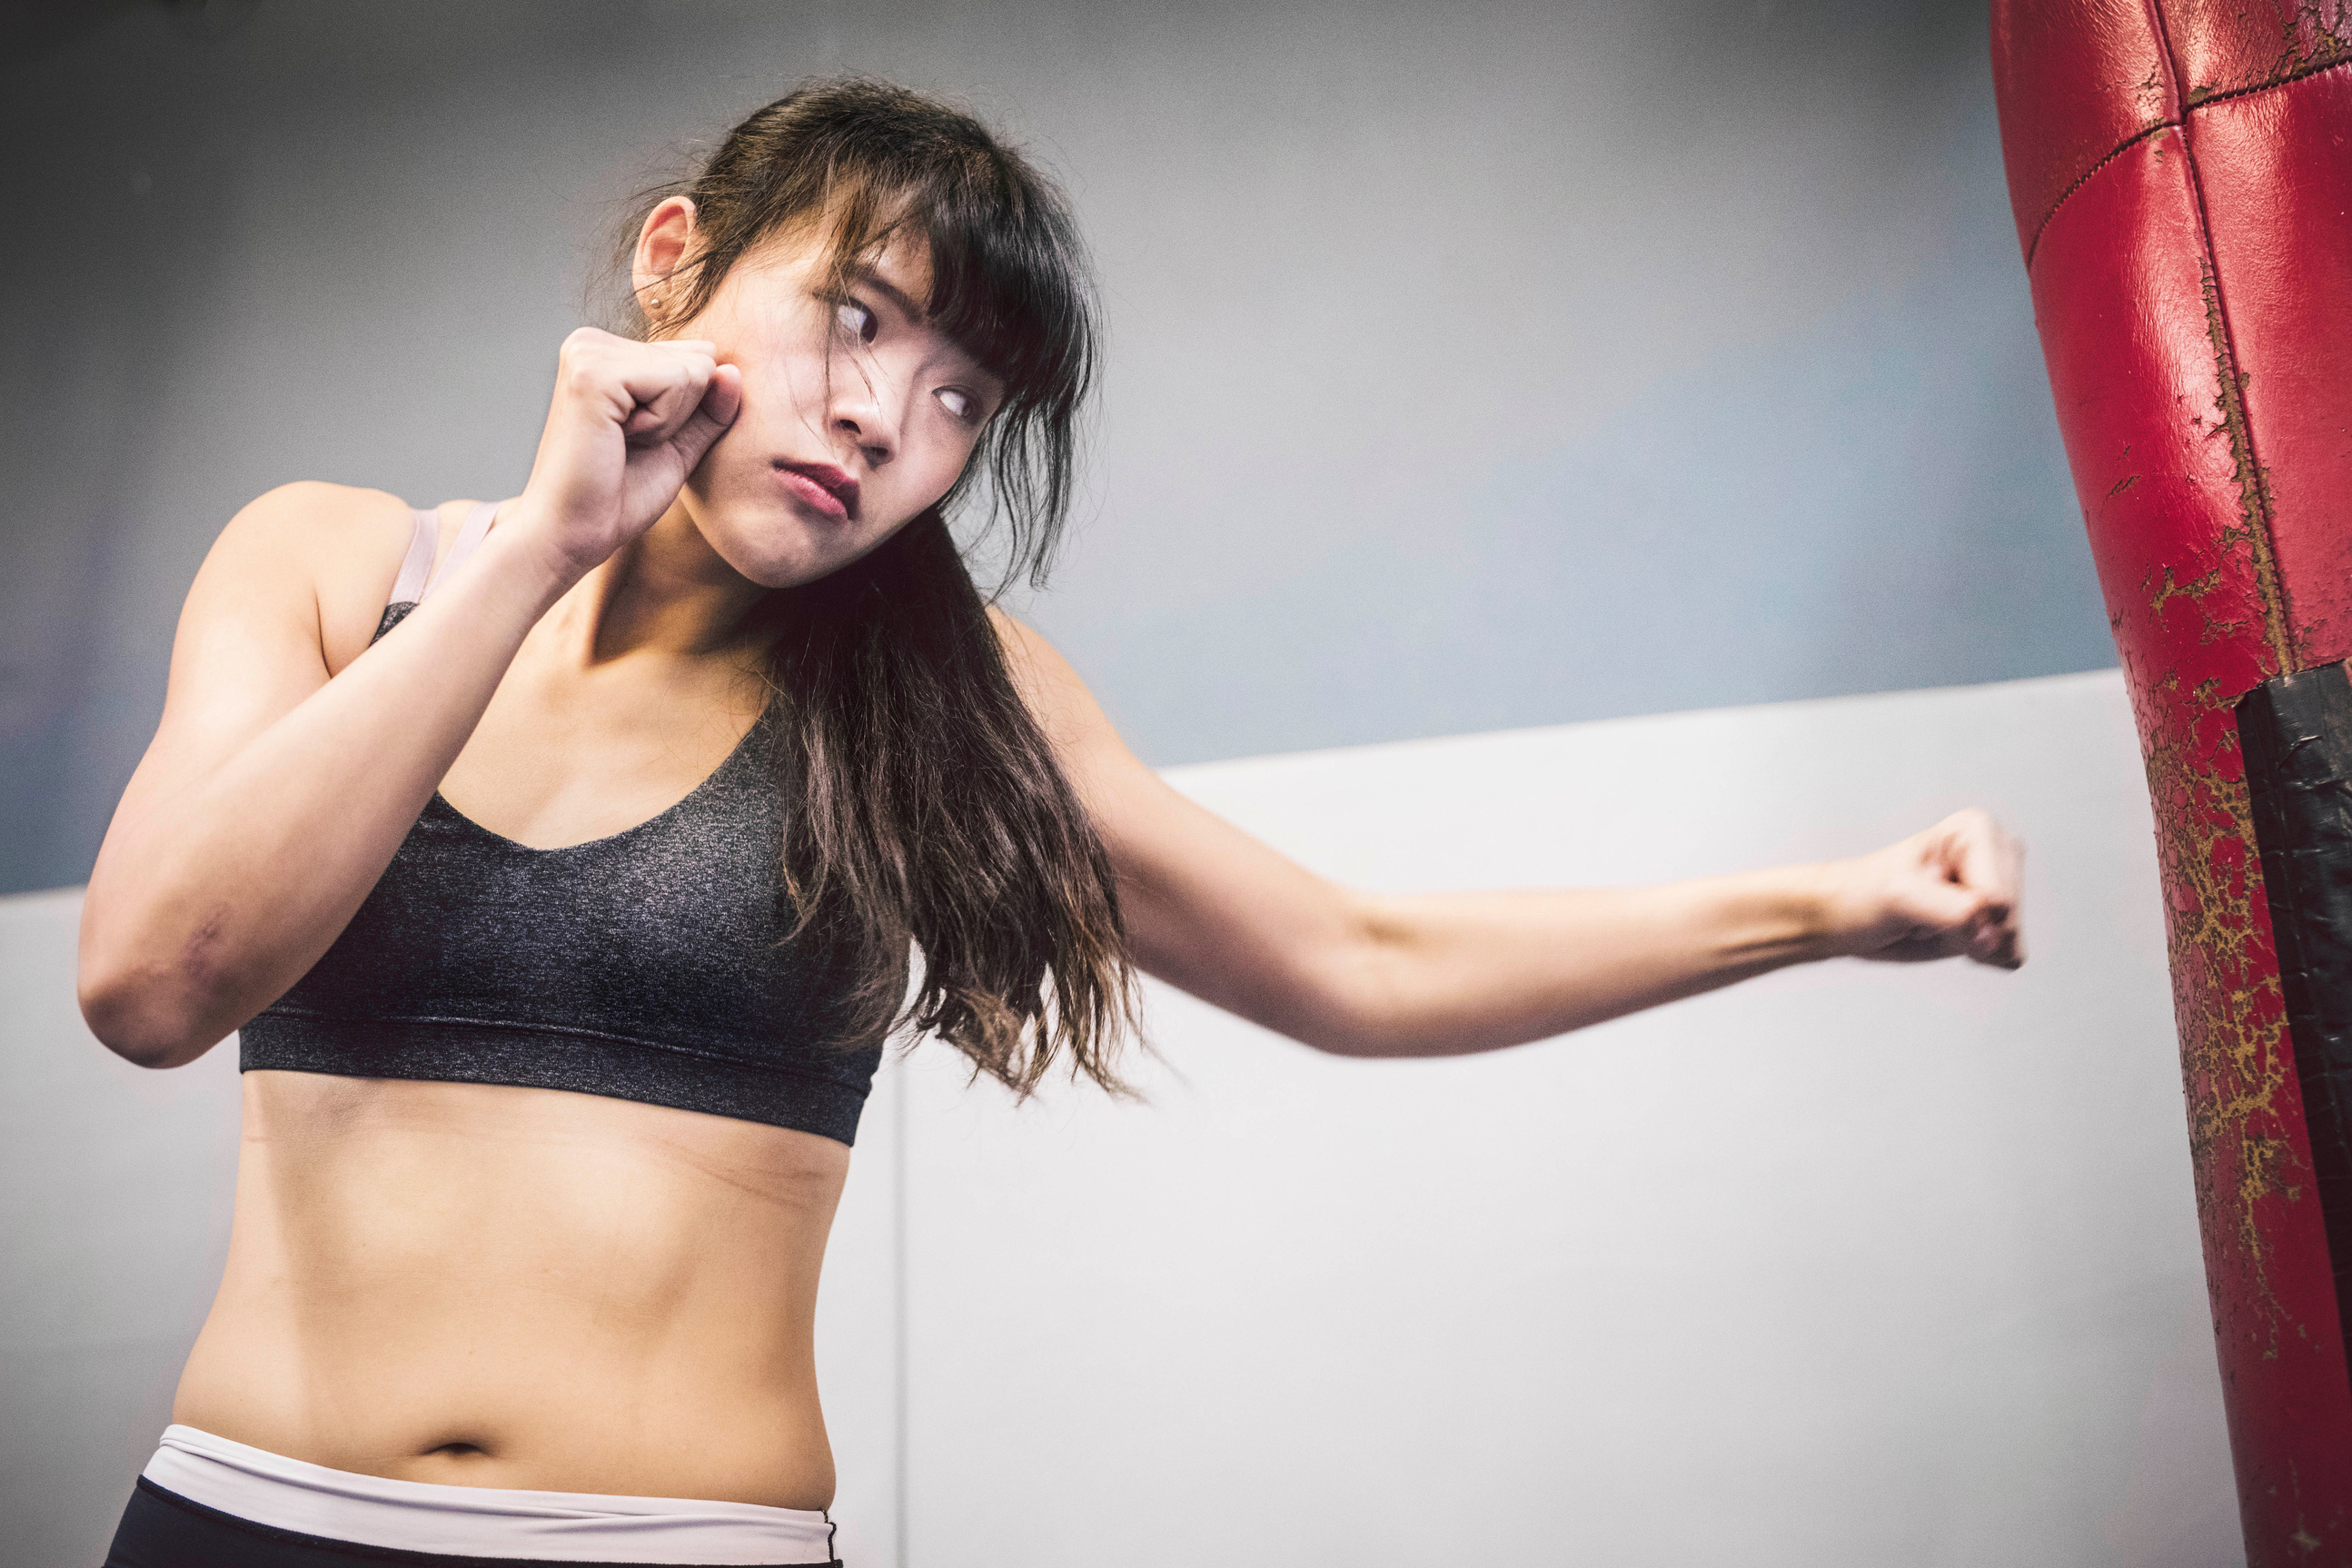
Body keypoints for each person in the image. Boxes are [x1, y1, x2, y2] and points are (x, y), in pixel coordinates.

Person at [76, 76, 2025, 1568]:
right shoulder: (334, 563)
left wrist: (1834, 902)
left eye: (956, 401)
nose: (879, 423)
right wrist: (534, 556)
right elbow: (156, 980)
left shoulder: (950, 701)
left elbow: (1359, 959)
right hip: (244, 1507)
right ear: (673, 261)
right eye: (850, 319)